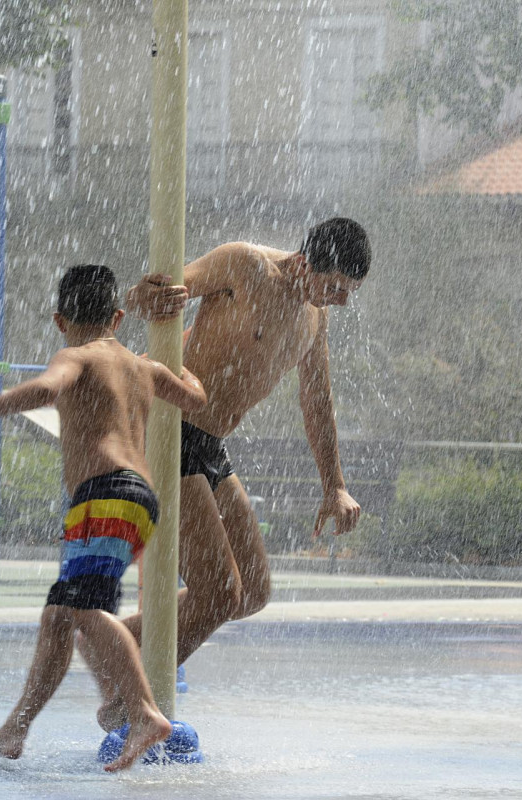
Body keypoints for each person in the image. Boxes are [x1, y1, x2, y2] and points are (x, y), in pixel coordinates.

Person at [83, 217, 372, 730]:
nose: (340, 301)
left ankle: (118, 638)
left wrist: (335, 486)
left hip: (208, 442)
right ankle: (131, 696)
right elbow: (167, 290)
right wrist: (141, 297)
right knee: (219, 593)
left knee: (254, 589)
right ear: (306, 262)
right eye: (336, 288)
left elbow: (317, 399)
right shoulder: (245, 264)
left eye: (348, 292)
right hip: (165, 424)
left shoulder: (313, 317)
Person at [0, 264, 207, 770]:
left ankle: (144, 713)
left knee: (87, 614)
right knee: (59, 617)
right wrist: (176, 351)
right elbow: (196, 399)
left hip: (103, 497)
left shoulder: (76, 356)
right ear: (117, 315)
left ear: (60, 320)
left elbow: (47, 390)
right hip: (137, 500)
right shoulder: (141, 366)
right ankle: (14, 729)